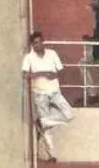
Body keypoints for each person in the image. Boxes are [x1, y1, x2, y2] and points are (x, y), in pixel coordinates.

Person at [22, 32, 74, 161]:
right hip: (40, 94)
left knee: (69, 115)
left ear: (43, 42)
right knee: (46, 130)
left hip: (55, 91)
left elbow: (61, 71)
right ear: (32, 45)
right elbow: (25, 75)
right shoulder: (29, 58)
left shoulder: (52, 54)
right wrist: (42, 73)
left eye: (39, 42)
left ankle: (43, 121)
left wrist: (53, 75)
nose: (38, 45)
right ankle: (52, 155)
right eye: (35, 43)